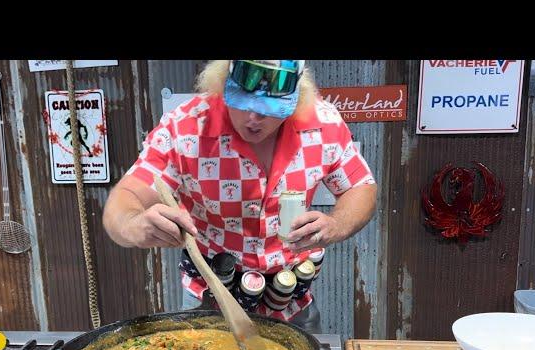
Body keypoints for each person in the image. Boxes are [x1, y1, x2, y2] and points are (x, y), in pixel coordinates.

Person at [103, 60, 377, 333]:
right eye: (243, 104)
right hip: (212, 298)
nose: (253, 119)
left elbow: (361, 186)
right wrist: (133, 225)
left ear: (298, 97)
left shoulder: (323, 122)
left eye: (268, 109)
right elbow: (125, 197)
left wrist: (336, 224)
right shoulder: (186, 127)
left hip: (291, 300)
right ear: (222, 82)